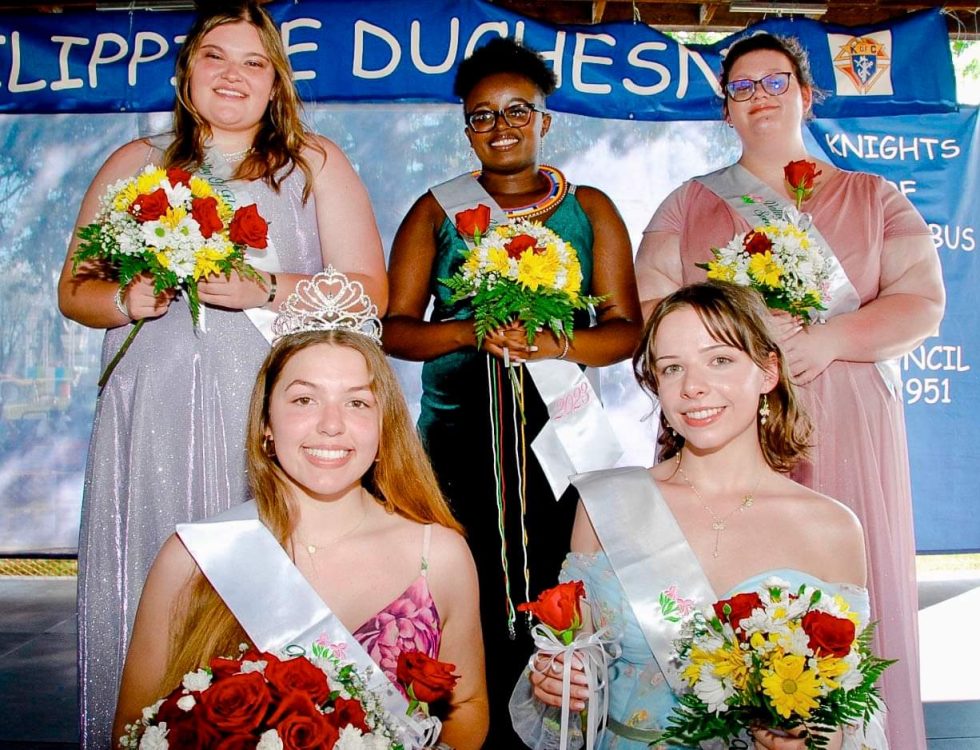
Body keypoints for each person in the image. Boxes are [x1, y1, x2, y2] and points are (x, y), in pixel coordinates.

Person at [57, 3, 387, 746]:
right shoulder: (133, 164)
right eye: (215, 56)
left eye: (253, 61)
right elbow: (75, 289)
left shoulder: (314, 165)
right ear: (186, 72)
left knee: (266, 584)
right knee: (154, 577)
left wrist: (265, 288)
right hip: (152, 411)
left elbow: (373, 291)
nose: (232, 75)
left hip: (265, 415)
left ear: (276, 82)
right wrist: (124, 299)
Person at [633, 33, 944, 745]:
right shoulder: (687, 203)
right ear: (726, 110)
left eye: (774, 82)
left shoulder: (874, 196)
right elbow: (652, 307)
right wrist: (728, 339)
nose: (759, 97)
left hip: (846, 413)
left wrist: (827, 339)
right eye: (741, 87)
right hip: (722, 424)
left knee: (850, 587)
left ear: (806, 95)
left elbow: (921, 302)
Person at [383, 36, 642, 744]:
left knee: (559, 582)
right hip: (456, 440)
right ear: (465, 126)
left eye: (517, 111)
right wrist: (472, 333)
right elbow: (396, 330)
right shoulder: (437, 211)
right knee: (458, 582)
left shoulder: (588, 209)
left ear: (546, 120)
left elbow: (625, 330)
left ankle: (559, 726)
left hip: (555, 435)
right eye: (482, 116)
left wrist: (555, 344)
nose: (501, 128)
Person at [112, 278, 488, 748]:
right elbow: (131, 732)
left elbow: (468, 708)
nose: (331, 425)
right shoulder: (193, 558)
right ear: (266, 423)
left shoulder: (442, 556)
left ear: (383, 426)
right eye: (304, 400)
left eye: (356, 402)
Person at [515, 281, 875, 750]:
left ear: (768, 371)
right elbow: (581, 657)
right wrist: (559, 678)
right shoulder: (607, 504)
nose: (693, 386)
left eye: (720, 360)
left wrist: (811, 740)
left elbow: (854, 710)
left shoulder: (832, 529)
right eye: (672, 368)